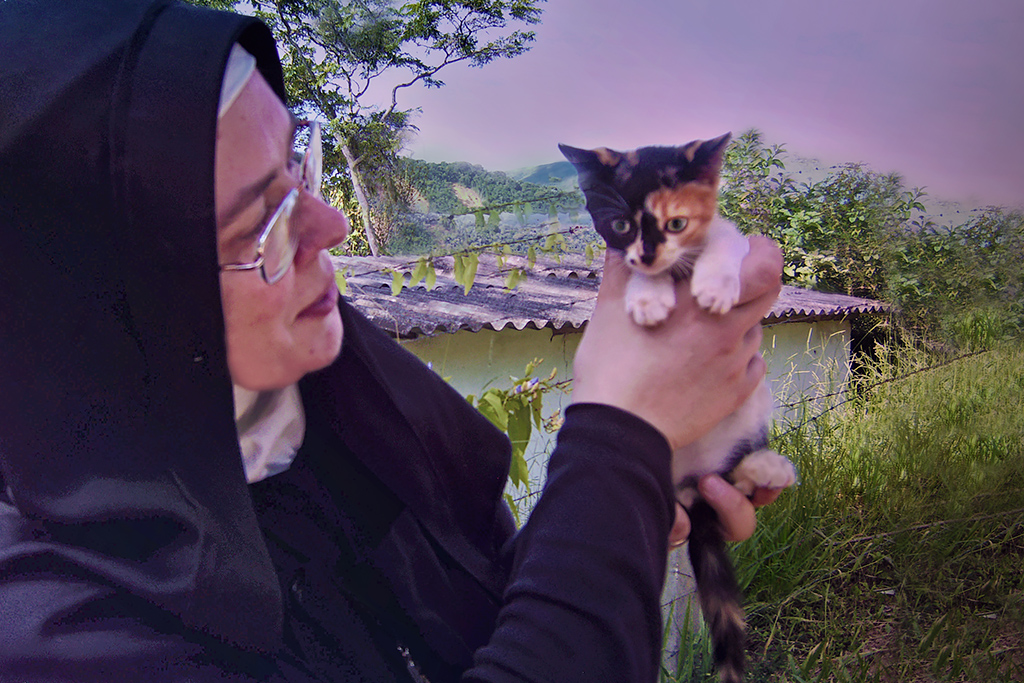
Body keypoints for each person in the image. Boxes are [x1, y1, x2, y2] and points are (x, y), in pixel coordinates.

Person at [0, 0, 784, 681]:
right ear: (115, 320)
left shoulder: (323, 388)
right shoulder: (52, 639)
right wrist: (624, 431)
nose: (330, 225)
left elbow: (484, 604)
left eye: (295, 162)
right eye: (261, 223)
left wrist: (617, 508)